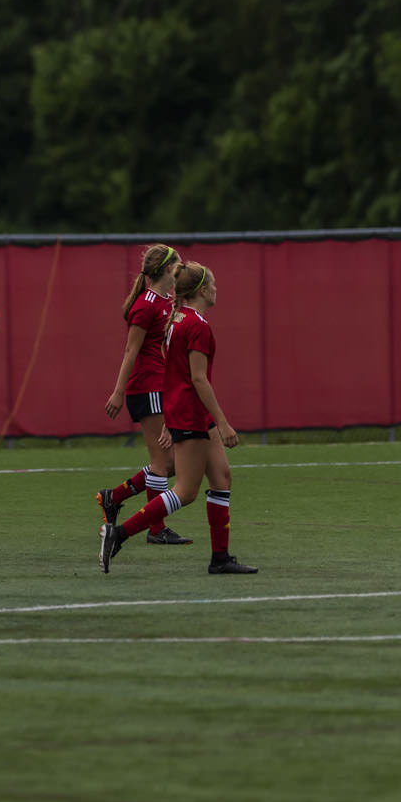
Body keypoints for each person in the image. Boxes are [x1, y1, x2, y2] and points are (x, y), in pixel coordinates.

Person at [101, 263, 258, 575]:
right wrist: (223, 422)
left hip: (188, 411)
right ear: (201, 290)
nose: (216, 289)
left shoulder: (179, 318)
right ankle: (118, 534)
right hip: (192, 412)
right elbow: (198, 380)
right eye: (212, 284)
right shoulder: (196, 325)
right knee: (185, 491)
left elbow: (176, 375)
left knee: (222, 477)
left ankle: (220, 558)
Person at [96, 245, 192, 547]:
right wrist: (118, 392)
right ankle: (155, 528)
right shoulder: (146, 304)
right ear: (166, 269)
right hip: (146, 387)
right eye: (178, 264)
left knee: (172, 463)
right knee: (164, 463)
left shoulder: (168, 301)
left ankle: (115, 496)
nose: (181, 268)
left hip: (160, 386)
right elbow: (131, 350)